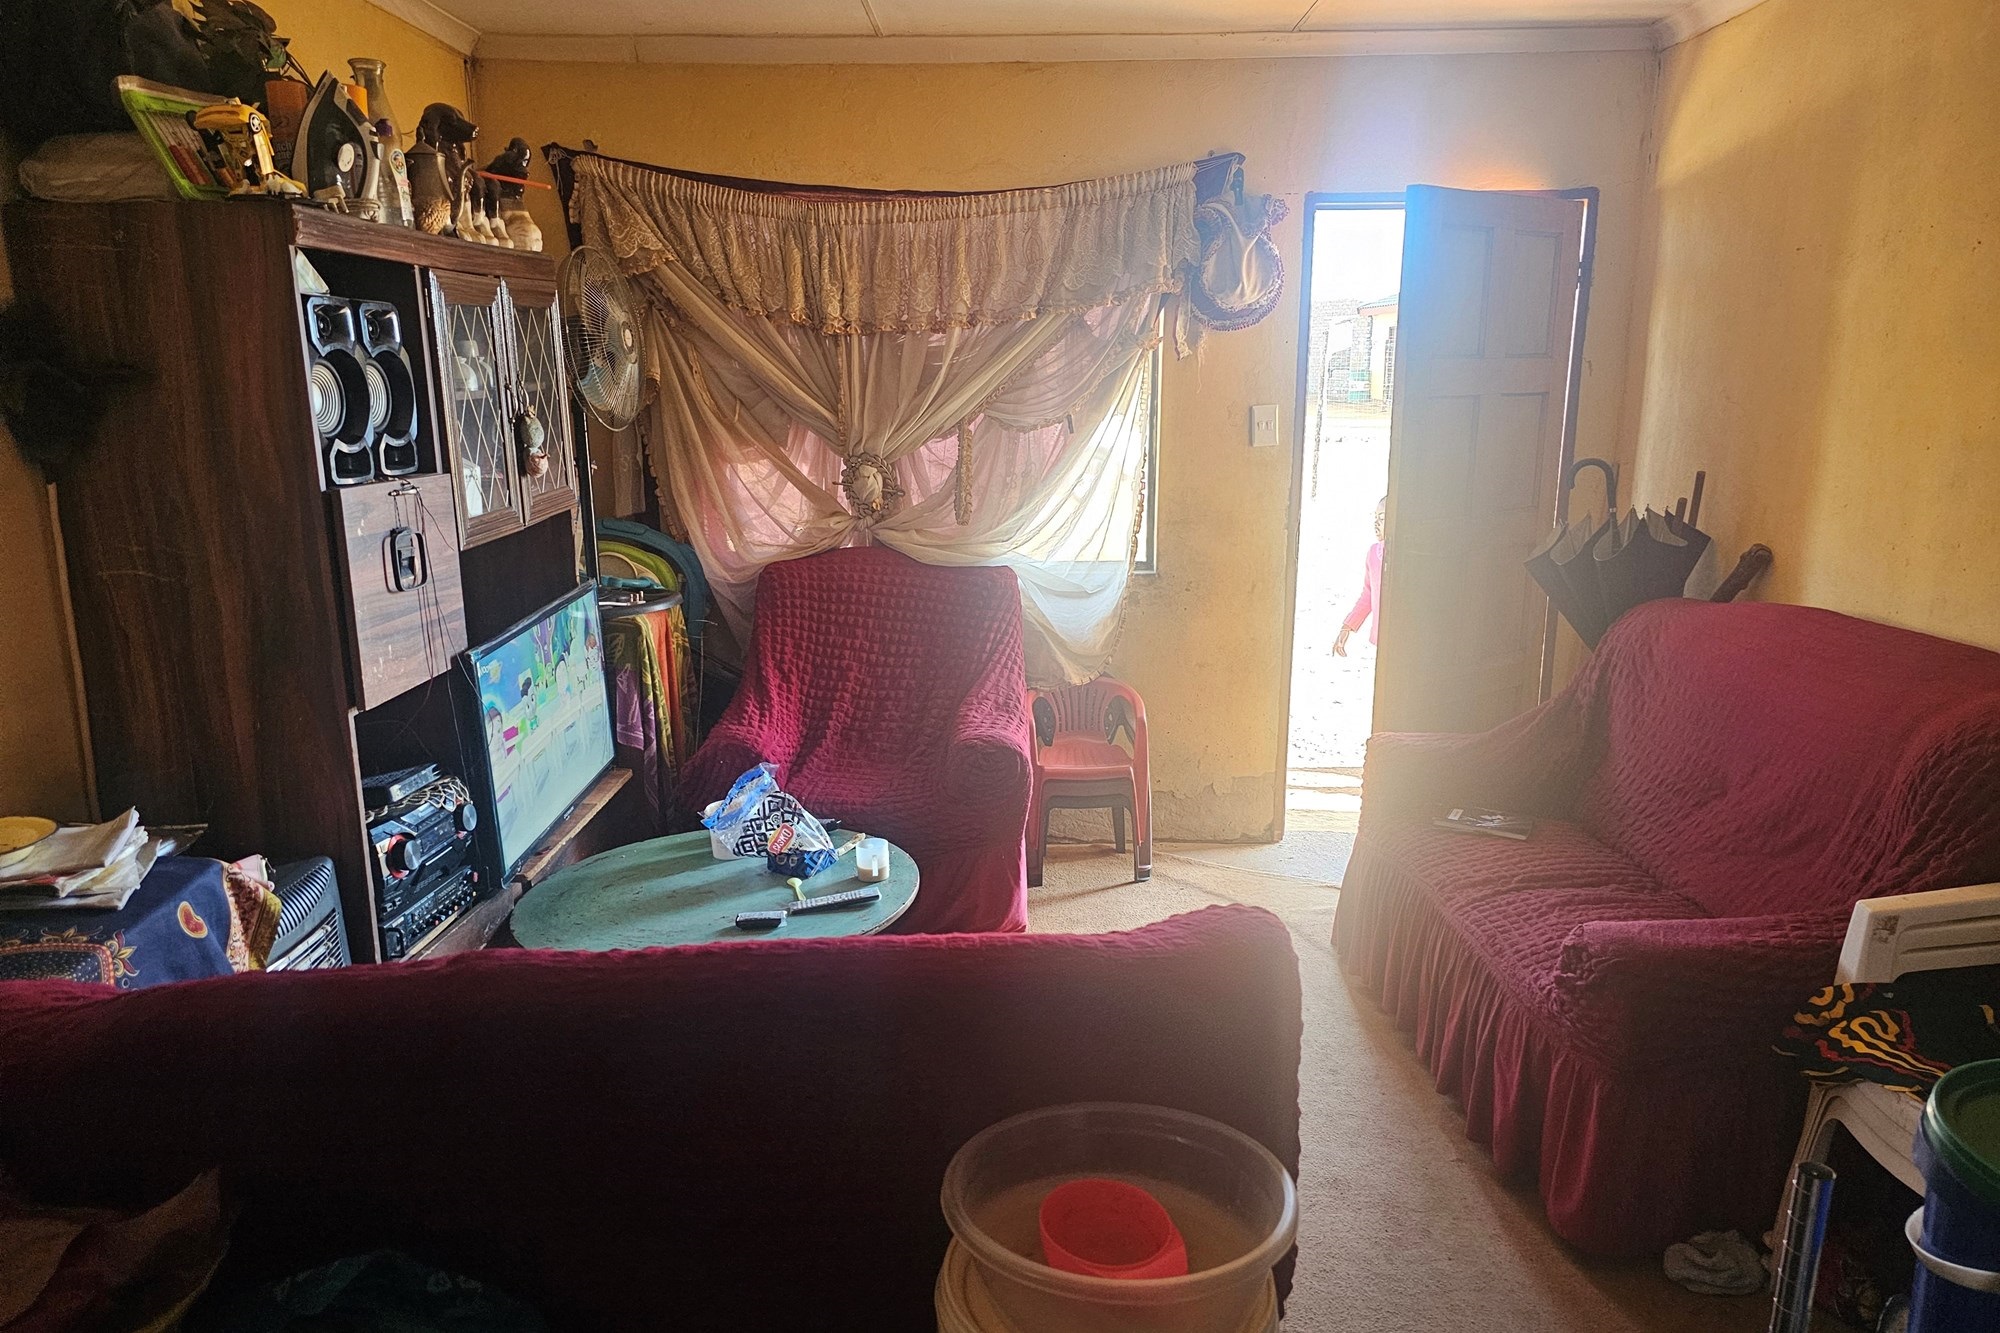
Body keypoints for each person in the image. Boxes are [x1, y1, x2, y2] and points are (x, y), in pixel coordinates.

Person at [1333, 496, 1386, 657]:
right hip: (1382, 638)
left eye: (1382, 518)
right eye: (1375, 517)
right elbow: (1368, 595)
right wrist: (1347, 626)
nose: (1376, 523)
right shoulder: (1373, 553)